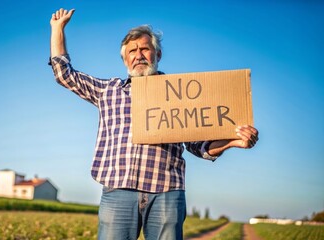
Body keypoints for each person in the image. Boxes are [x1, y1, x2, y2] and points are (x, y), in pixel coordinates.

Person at [49, 8, 259, 240]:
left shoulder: (179, 96)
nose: (138, 55)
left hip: (167, 193)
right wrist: (57, 29)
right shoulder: (107, 90)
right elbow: (64, 74)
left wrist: (234, 140)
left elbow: (200, 146)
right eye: (132, 51)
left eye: (145, 49)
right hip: (118, 191)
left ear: (157, 55)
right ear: (125, 58)